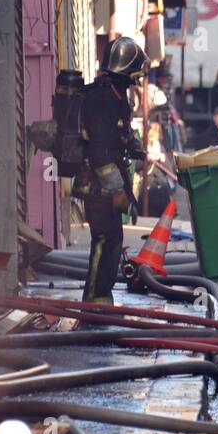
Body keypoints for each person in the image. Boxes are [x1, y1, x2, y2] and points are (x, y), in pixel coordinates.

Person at [79, 37, 146, 304]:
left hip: (107, 185)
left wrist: (134, 144)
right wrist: (116, 188)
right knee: (104, 239)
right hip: (97, 186)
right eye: (134, 75)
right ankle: (94, 298)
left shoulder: (116, 97)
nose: (135, 81)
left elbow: (118, 136)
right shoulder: (101, 98)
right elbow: (99, 151)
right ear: (125, 69)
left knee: (112, 238)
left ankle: (101, 296)